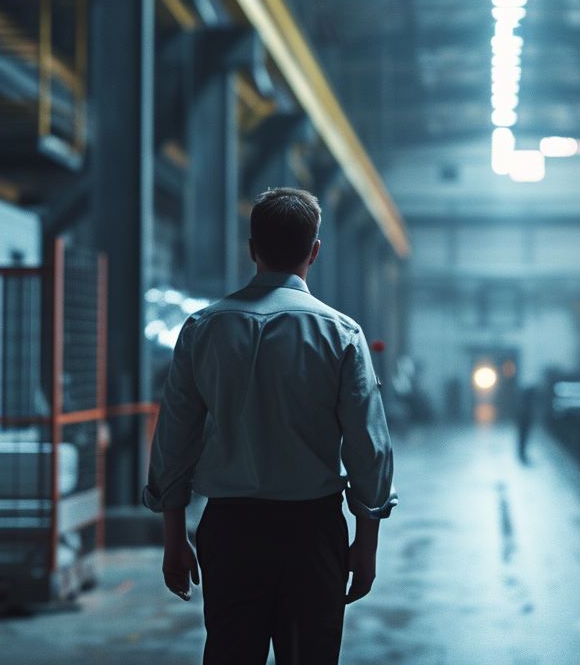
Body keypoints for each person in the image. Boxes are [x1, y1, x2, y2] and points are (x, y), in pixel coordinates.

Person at [143, 187, 396, 665]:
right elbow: (369, 449)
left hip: (230, 530)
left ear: (252, 248)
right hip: (312, 532)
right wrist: (367, 543)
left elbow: (173, 439)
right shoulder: (341, 334)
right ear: (315, 251)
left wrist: (174, 537)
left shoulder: (202, 329)